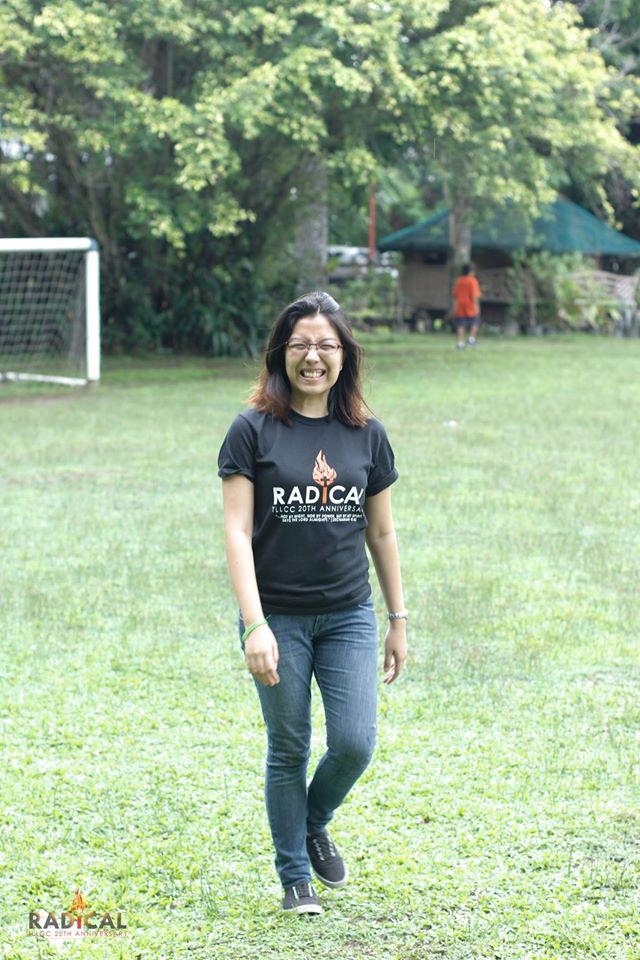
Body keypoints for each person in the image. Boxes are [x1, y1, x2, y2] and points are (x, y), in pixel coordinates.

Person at [218, 290, 407, 916]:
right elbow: (236, 532)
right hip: (278, 617)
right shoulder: (251, 430)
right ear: (282, 352)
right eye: (300, 345)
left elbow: (382, 532)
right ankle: (294, 875)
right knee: (290, 745)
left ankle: (312, 820)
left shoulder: (367, 434)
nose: (313, 357)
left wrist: (397, 619)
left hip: (349, 614)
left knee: (354, 742)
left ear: (344, 355)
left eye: (326, 345)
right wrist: (254, 625)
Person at [453, 263, 481, 348]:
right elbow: (474, 295)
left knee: (460, 324)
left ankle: (460, 343)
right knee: (475, 322)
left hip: (460, 305)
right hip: (470, 305)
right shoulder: (472, 280)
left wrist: (455, 306)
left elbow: (455, 295)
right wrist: (477, 306)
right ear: (470, 271)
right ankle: (471, 339)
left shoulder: (459, 280)